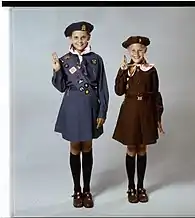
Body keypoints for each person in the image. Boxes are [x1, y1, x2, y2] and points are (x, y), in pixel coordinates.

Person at [51, 21, 109, 208]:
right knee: (75, 147)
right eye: (76, 37)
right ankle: (77, 190)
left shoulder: (96, 59)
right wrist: (57, 70)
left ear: (89, 38)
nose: (80, 40)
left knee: (88, 147)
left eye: (83, 37)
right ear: (70, 39)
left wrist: (102, 111)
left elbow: (103, 88)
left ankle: (87, 189)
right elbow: (60, 87)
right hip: (72, 107)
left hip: (91, 107)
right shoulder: (64, 60)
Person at [112, 36, 164, 203]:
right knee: (131, 147)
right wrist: (121, 71)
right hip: (130, 110)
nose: (136, 53)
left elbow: (156, 94)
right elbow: (119, 91)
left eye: (140, 50)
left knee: (142, 148)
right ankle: (130, 187)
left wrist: (158, 117)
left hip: (146, 111)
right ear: (128, 51)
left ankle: (141, 187)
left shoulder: (151, 70)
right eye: (133, 50)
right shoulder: (125, 69)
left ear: (145, 50)